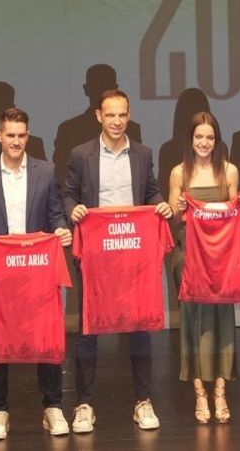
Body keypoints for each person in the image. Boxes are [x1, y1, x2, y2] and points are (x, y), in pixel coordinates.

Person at [64, 90, 171, 433]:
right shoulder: (81, 154)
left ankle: (143, 401)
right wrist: (73, 210)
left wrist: (160, 203)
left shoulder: (142, 153)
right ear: (98, 115)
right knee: (88, 327)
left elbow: (150, 190)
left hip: (132, 253)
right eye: (110, 115)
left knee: (139, 325)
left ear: (129, 115)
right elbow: (69, 194)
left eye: (122, 115)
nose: (116, 121)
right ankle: (84, 404)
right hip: (96, 255)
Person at [0, 107, 73, 439]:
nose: (16, 141)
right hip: (1, 274)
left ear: (28, 136)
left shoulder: (45, 171)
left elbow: (56, 215)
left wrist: (61, 230)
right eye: (10, 135)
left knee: (46, 336)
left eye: (21, 135)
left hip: (37, 273)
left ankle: (52, 406)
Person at [170, 112, 240, 423]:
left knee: (223, 320)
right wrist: (178, 208)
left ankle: (220, 390)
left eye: (209, 137)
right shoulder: (178, 173)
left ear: (217, 140)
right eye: (198, 137)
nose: (204, 142)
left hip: (220, 259)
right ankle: (200, 391)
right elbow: (172, 218)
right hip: (188, 257)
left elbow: (235, 215)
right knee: (192, 322)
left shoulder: (229, 170)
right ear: (190, 139)